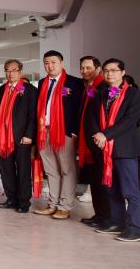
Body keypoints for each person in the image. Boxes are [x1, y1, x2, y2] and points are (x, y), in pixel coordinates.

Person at [89, 59, 140, 242]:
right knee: (111, 188)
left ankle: (135, 227)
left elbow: (130, 121)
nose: (109, 74)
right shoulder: (102, 93)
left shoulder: (133, 94)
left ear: (122, 72)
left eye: (114, 70)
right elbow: (93, 117)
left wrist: (105, 134)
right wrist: (98, 135)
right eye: (106, 70)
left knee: (130, 190)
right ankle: (117, 222)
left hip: (124, 149)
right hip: (105, 149)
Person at [33, 50, 84, 220]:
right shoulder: (42, 83)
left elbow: (80, 109)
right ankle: (52, 204)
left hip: (65, 132)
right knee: (51, 170)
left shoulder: (75, 83)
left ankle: (65, 206)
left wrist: (74, 132)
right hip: (44, 131)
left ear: (62, 63)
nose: (50, 66)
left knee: (67, 169)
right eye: (46, 63)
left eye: (53, 62)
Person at [0, 60, 38, 213]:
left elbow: (33, 115)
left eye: (14, 70)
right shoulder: (1, 90)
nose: (10, 73)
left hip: (21, 137)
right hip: (3, 137)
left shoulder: (30, 90)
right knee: (6, 170)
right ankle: (11, 198)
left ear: (20, 71)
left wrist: (29, 135)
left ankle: (24, 201)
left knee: (23, 170)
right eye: (7, 70)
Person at [78, 56, 109, 227]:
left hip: (100, 143)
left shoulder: (104, 87)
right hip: (90, 143)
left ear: (97, 69)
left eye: (88, 68)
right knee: (95, 181)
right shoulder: (90, 87)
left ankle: (107, 217)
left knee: (102, 183)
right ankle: (99, 215)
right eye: (82, 68)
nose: (84, 71)